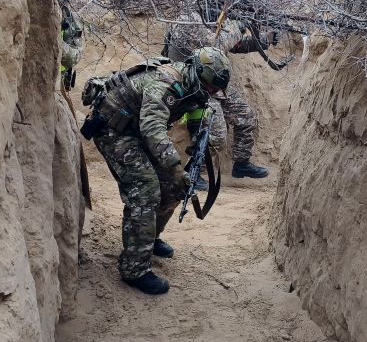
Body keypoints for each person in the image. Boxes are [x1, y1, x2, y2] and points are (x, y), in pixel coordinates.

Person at [84, 47, 231, 295]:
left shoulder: (197, 89)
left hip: (137, 131)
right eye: (209, 88)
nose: (212, 93)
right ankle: (134, 269)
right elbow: (152, 127)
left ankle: (148, 238)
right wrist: (175, 167)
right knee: (145, 189)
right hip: (114, 130)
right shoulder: (166, 82)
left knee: (175, 188)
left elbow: (197, 112)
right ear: (197, 74)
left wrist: (199, 135)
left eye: (215, 90)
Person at [163, 15, 276, 188]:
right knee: (216, 134)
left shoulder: (212, 19)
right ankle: (193, 173)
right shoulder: (189, 18)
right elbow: (215, 45)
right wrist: (238, 26)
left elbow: (235, 45)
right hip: (194, 86)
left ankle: (241, 163)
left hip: (212, 81)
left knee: (246, 115)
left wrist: (264, 40)